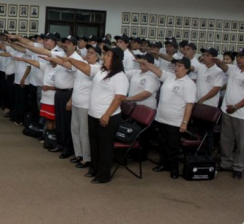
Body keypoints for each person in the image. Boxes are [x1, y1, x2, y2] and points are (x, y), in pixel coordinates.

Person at [137, 57, 196, 179]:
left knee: (172, 146)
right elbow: (156, 70)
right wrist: (146, 63)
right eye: (176, 65)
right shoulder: (169, 77)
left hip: (175, 121)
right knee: (162, 144)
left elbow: (189, 104)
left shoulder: (189, 84)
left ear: (187, 69)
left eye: (180, 66)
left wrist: (184, 122)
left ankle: (174, 169)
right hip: (162, 118)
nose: (177, 68)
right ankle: (164, 164)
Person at [84, 46, 129, 184]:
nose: (104, 57)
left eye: (108, 55)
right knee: (94, 143)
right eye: (105, 55)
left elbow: (119, 97)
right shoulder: (102, 71)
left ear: (116, 59)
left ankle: (103, 175)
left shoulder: (120, 76)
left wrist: (107, 114)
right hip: (93, 113)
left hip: (107, 116)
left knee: (105, 146)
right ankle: (95, 169)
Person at [64, 45, 103, 169]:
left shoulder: (97, 68)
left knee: (84, 132)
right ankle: (79, 154)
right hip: (76, 102)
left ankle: (87, 158)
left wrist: (70, 60)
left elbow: (87, 71)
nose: (88, 55)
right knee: (75, 130)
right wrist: (70, 100)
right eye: (87, 52)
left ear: (97, 56)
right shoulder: (82, 65)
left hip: (85, 105)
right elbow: (76, 84)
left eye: (91, 53)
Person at [212, 50, 244, 179]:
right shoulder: (234, 69)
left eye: (242, 57)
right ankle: (226, 164)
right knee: (226, 140)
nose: (239, 59)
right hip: (227, 111)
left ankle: (238, 167)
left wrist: (235, 107)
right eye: (238, 57)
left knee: (241, 144)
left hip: (241, 115)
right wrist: (218, 62)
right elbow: (224, 66)